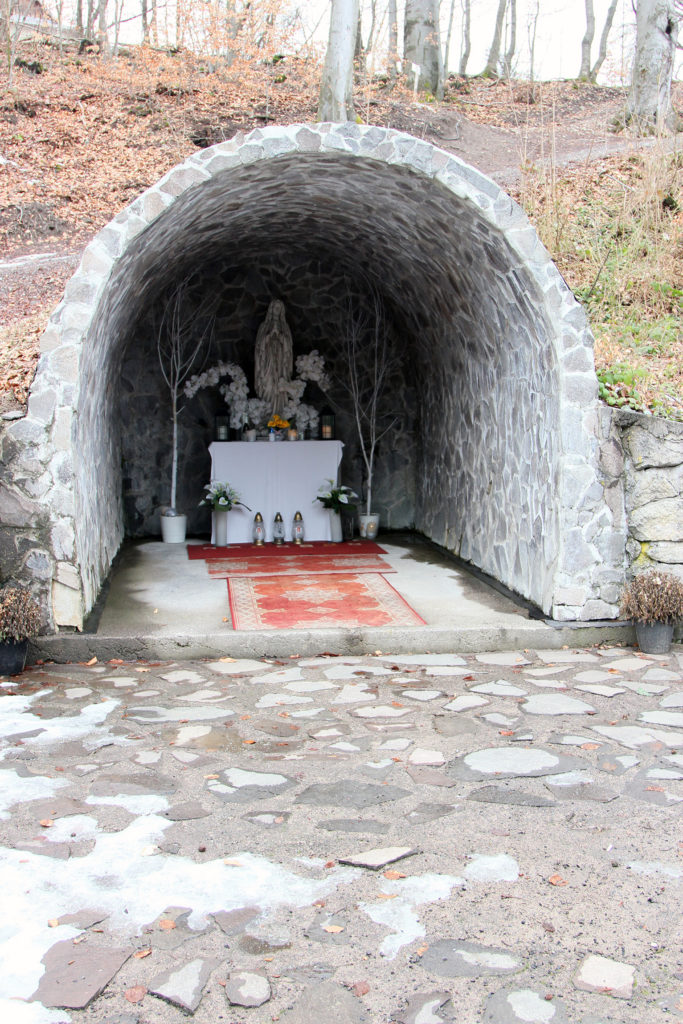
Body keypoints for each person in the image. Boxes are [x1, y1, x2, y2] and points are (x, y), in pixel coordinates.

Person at [254, 299, 293, 417]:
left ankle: (280, 414)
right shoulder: (264, 326)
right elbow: (259, 346)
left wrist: (280, 335)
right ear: (271, 309)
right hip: (268, 360)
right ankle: (267, 414)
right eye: (275, 307)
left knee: (280, 384)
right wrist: (270, 335)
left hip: (281, 360)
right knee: (268, 384)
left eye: (279, 308)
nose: (277, 310)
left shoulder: (285, 326)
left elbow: (289, 347)